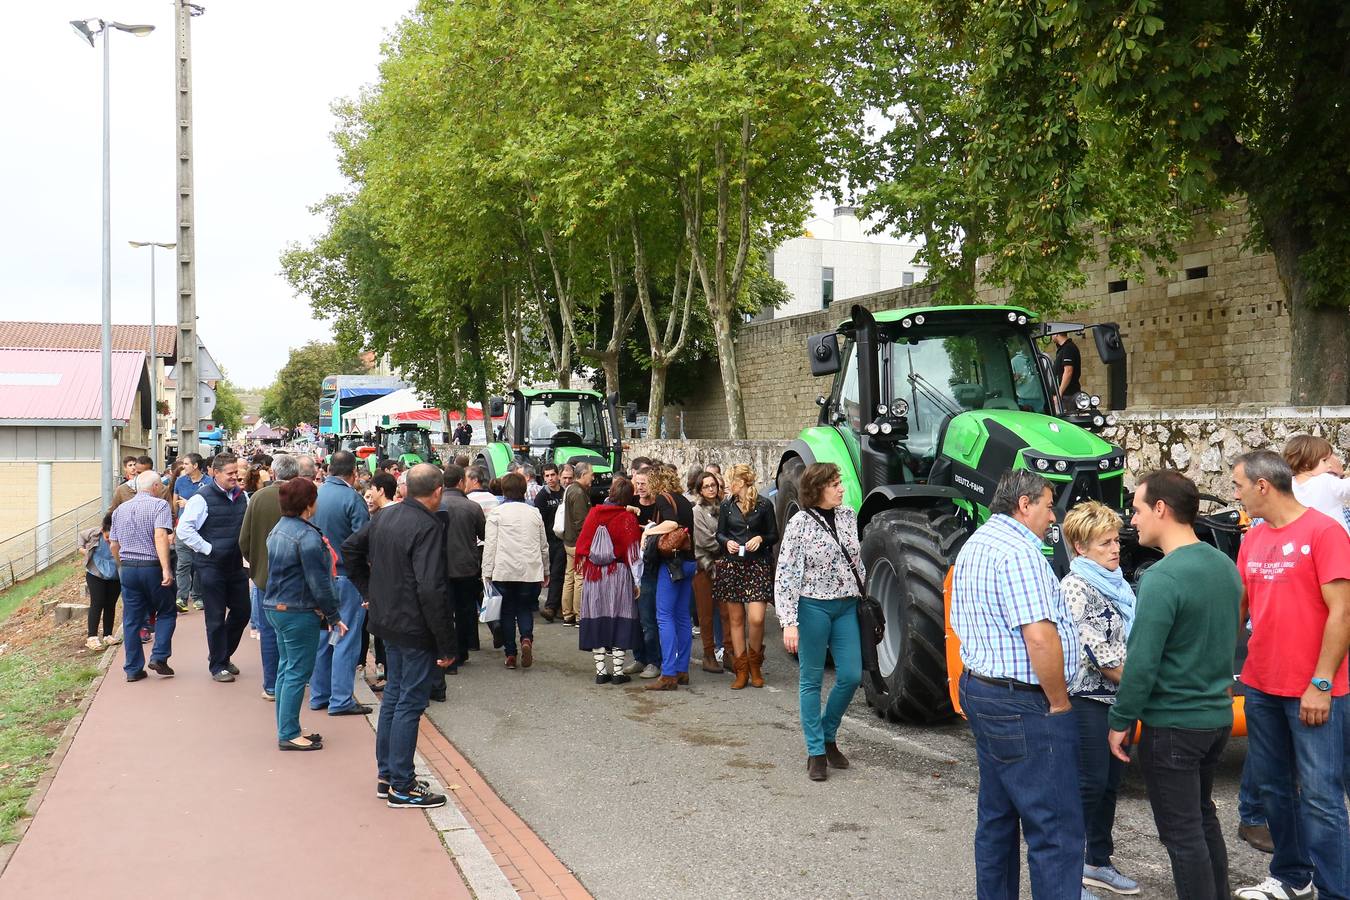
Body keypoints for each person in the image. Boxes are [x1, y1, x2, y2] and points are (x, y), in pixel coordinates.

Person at [1106, 471, 1240, 898]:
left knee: (1182, 836)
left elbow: (1142, 662)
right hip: (1215, 717)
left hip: (1174, 724)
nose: (1134, 519)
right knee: (1202, 820)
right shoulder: (1223, 565)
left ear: (1161, 509)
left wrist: (1121, 718)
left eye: (1138, 509)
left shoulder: (1162, 578)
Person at [950, 469, 1082, 900]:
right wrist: (1060, 702)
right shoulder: (1019, 553)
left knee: (997, 817)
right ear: (1024, 505)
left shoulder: (976, 544)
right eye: (1048, 505)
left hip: (983, 690)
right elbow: (1040, 636)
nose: (1052, 516)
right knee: (1055, 829)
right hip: (1024, 703)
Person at [1230, 450, 1350, 900]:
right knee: (1274, 789)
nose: (1235, 494)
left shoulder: (1325, 532)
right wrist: (1221, 665)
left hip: (1315, 690)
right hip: (1261, 685)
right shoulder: (1253, 539)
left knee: (1321, 797)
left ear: (1263, 485)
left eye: (1239, 485)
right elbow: (1240, 605)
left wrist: (1321, 682)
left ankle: (1337, 890)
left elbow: (1343, 612)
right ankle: (1291, 875)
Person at [343, 463, 455, 809]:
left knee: (394, 696)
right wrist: (446, 641)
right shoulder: (427, 526)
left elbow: (349, 549)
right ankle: (401, 784)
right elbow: (431, 587)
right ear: (437, 492)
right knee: (409, 701)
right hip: (412, 624)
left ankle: (389, 775)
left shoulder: (385, 518)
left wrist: (368, 591)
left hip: (387, 619)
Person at [1057, 501, 1140, 896]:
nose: (1114, 548)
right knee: (1088, 785)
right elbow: (1102, 658)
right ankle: (1067, 874)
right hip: (1088, 699)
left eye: (1115, 540)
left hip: (1120, 700)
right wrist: (1147, 690)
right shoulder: (1075, 587)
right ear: (1079, 546)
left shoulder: (1117, 583)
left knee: (1110, 784)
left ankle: (1098, 862)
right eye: (1104, 543)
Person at [774, 462, 863, 782]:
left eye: (840, 483)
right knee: (810, 680)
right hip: (812, 608)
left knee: (851, 675)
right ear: (818, 488)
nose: (841, 488)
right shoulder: (799, 524)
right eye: (835, 484)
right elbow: (786, 575)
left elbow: (856, 559)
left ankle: (827, 734)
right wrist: (789, 621)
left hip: (846, 606)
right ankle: (816, 751)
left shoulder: (848, 516)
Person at [262, 477, 345, 751]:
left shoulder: (278, 529)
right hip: (298, 610)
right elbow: (318, 581)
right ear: (309, 504)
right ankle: (288, 733)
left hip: (276, 606)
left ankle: (288, 728)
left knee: (286, 669)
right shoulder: (307, 535)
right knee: (297, 671)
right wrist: (333, 615)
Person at [240, 453, 311, 702]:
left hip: (263, 577)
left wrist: (257, 563)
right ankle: (294, 681)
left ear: (273, 472)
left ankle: (271, 685)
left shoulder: (258, 497)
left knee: (269, 633)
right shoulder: (304, 496)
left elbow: (244, 540)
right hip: (295, 578)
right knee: (296, 632)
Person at [176, 453, 251, 682]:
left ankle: (222, 654)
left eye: (235, 473)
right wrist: (208, 549)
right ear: (214, 473)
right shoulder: (201, 498)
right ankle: (218, 665)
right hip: (211, 566)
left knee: (242, 612)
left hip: (236, 565)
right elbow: (184, 530)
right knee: (216, 617)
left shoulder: (243, 496)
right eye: (229, 473)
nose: (234, 477)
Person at [308, 450, 372, 716]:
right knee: (345, 637)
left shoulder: (316, 495)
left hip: (320, 577)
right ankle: (341, 698)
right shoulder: (353, 499)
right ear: (353, 473)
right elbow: (363, 542)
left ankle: (319, 694)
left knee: (323, 636)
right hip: (346, 578)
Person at [575, 476, 645, 684]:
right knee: (620, 619)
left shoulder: (594, 514)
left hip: (595, 574)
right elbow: (633, 554)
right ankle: (617, 672)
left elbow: (582, 545)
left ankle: (600, 672)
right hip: (620, 574)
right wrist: (637, 582)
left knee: (597, 617)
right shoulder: (628, 519)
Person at [109, 470, 177, 681]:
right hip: (152, 566)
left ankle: (132, 668)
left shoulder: (120, 509)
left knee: (131, 619)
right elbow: (160, 535)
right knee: (166, 610)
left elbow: (113, 544)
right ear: (156, 487)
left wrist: (122, 565)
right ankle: (159, 656)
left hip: (128, 568)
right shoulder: (160, 505)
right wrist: (166, 568)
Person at [716, 465, 778, 688]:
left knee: (757, 618)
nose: (727, 484)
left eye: (730, 480)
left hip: (758, 565)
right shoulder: (726, 505)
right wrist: (726, 542)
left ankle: (755, 665)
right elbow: (720, 533)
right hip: (733, 566)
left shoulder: (763, 504)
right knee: (736, 619)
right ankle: (741, 670)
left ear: (740, 482)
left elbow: (774, 534)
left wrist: (760, 538)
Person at [482, 472, 548, 669]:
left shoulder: (496, 514)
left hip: (504, 570)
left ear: (504, 490)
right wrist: (546, 569)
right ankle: (526, 638)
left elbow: (490, 545)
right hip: (529, 569)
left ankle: (510, 653)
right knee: (525, 607)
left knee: (508, 611)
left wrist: (486, 572)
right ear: (524, 490)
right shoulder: (534, 513)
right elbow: (543, 545)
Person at [642, 464, 697, 691]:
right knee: (683, 616)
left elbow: (672, 524)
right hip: (690, 562)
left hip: (672, 564)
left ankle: (668, 673)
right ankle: (682, 669)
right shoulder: (683, 500)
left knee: (664, 616)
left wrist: (648, 531)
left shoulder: (663, 498)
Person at [439, 463, 486, 685]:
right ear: (461, 482)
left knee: (445, 612)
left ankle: (450, 656)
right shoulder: (472, 507)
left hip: (441, 567)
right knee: (465, 610)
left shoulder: (436, 505)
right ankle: (463, 649)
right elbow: (483, 533)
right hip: (466, 566)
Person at [624, 467, 662, 678]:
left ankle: (654, 661)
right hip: (631, 566)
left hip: (650, 568)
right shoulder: (631, 505)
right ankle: (639, 658)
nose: (639, 488)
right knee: (635, 617)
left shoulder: (659, 507)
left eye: (644, 483)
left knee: (648, 618)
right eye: (637, 483)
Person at [691, 470, 725, 674]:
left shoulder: (725, 507)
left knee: (726, 612)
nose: (711, 489)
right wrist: (727, 544)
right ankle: (708, 655)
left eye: (713, 485)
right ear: (700, 490)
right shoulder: (697, 511)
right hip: (704, 565)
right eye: (706, 486)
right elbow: (704, 540)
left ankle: (728, 652)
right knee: (705, 613)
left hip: (724, 565)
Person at [1283, 434, 1350, 534]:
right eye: (1324, 461)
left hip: (1304, 543)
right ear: (1307, 464)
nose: (1329, 465)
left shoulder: (1287, 486)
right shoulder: (1325, 481)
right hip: (1334, 540)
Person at [79, 514, 122, 651]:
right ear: (103, 531)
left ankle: (108, 635)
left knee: (110, 604)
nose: (110, 541)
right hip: (96, 572)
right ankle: (92, 637)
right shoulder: (94, 533)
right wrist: (83, 550)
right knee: (97, 603)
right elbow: (80, 536)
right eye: (108, 538)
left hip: (115, 573)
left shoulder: (123, 535)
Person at [560, 462, 594, 627]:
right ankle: (579, 615)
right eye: (591, 474)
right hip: (578, 542)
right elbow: (582, 522)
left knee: (570, 577)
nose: (593, 477)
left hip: (569, 540)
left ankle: (568, 614)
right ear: (583, 475)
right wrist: (586, 543)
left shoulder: (570, 490)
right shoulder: (579, 493)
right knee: (579, 577)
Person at [173, 452, 209, 612]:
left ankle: (198, 596)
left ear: (195, 466)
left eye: (186, 464)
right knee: (183, 564)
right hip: (182, 529)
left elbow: (210, 505)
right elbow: (174, 505)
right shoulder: (180, 481)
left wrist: (189, 504)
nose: (183, 466)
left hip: (201, 530)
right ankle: (181, 597)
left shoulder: (209, 483)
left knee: (199, 564)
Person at [534, 462, 567, 623]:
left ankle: (552, 606)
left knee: (557, 573)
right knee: (552, 574)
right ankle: (554, 606)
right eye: (547, 476)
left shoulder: (564, 493)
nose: (550, 478)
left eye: (552, 475)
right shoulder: (542, 497)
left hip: (561, 539)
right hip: (547, 540)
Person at [1051, 332, 1082, 408]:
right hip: (1064, 395)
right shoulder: (1063, 349)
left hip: (1067, 396)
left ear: (1056, 334)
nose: (1051, 337)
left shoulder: (1068, 348)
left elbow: (1068, 371)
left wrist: (1059, 393)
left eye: (1052, 334)